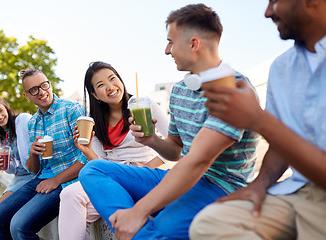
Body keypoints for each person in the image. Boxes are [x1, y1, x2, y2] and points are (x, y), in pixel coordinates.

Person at [79, 4, 260, 240]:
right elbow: (175, 150)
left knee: (157, 230)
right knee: (94, 170)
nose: (166, 50)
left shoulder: (235, 90)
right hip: (183, 178)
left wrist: (138, 211)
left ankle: (142, 230)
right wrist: (152, 139)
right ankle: (138, 231)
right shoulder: (180, 90)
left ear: (193, 44)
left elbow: (198, 161)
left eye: (171, 42)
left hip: (221, 188)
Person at [189, 0, 326, 239]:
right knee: (209, 224)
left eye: (275, 1)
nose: (267, 12)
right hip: (299, 190)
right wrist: (259, 185)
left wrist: (257, 119)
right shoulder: (282, 67)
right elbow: (282, 146)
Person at [58, 61, 169, 240]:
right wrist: (85, 149)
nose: (110, 87)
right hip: (108, 177)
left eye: (112, 79)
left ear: (120, 80)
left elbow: (176, 143)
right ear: (95, 94)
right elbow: (98, 164)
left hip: (139, 175)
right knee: (70, 196)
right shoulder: (95, 120)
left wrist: (146, 166)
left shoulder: (143, 105)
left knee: (75, 201)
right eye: (101, 85)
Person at [0, 68, 88, 240]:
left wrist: (55, 180)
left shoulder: (72, 110)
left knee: (19, 226)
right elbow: (34, 169)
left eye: (44, 85)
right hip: (40, 179)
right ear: (27, 95)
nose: (41, 92)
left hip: (67, 181)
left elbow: (86, 157)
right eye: (34, 89)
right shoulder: (33, 122)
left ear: (50, 84)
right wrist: (33, 153)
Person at [0, 90, 35, 240]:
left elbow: (30, 159)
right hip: (18, 179)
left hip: (33, 176)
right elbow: (13, 170)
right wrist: (6, 165)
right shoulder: (1, 137)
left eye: (0, 110)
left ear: (6, 107)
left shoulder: (22, 120)